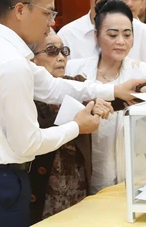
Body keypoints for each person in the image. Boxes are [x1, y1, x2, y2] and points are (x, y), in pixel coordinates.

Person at [0, 0, 146, 227]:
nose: (51, 23)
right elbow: (28, 144)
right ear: (21, 10)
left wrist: (112, 90)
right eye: (48, 13)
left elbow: (52, 87)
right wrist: (77, 127)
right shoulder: (11, 63)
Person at [67, 0, 146, 193]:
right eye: (112, 35)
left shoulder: (141, 72)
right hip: (84, 175)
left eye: (127, 35)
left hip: (129, 174)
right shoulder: (75, 70)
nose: (121, 42)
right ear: (96, 35)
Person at [28, 31, 100, 223]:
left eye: (64, 51)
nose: (61, 57)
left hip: (77, 180)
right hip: (45, 183)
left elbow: (106, 97)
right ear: (32, 59)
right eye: (52, 51)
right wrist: (77, 118)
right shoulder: (26, 91)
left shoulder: (76, 83)